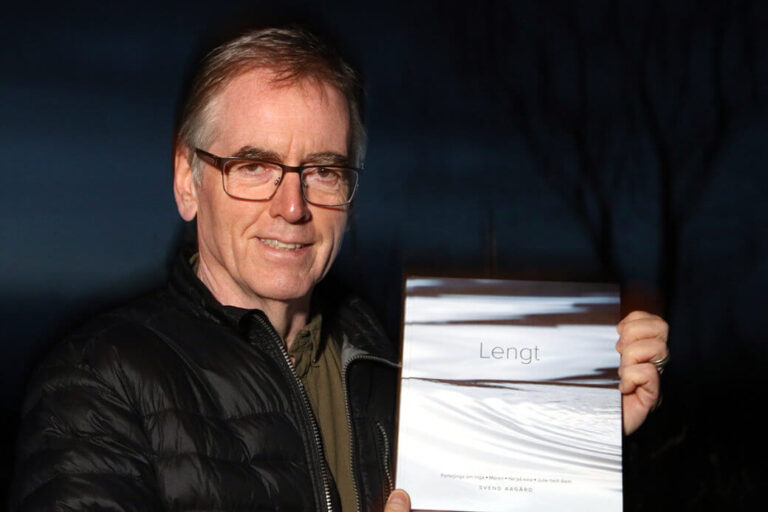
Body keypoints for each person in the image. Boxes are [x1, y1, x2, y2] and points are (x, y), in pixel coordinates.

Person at [8, 26, 669, 512]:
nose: (293, 206)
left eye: (323, 171)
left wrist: (583, 436)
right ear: (188, 179)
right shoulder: (98, 384)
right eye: (255, 166)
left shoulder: (394, 373)